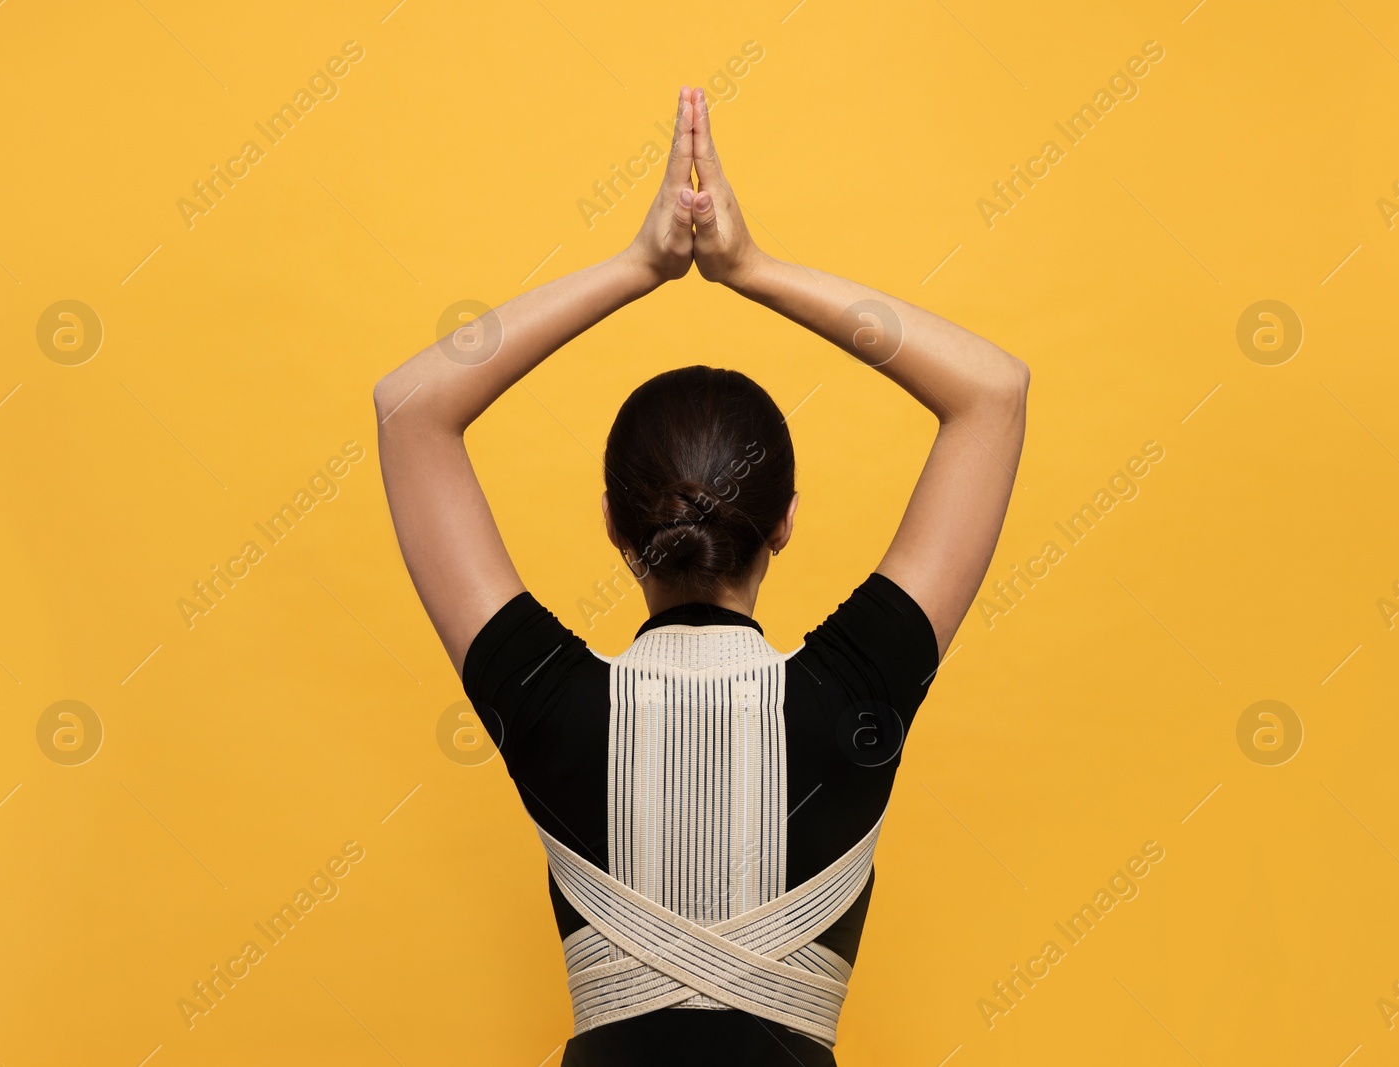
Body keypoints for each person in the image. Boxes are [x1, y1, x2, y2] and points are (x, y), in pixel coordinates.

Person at [374, 85, 1029, 1066]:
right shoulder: (855, 695)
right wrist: (747, 268)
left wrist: (638, 266)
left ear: (611, 524)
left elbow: (409, 407)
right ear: (786, 523)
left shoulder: (552, 706)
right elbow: (991, 391)